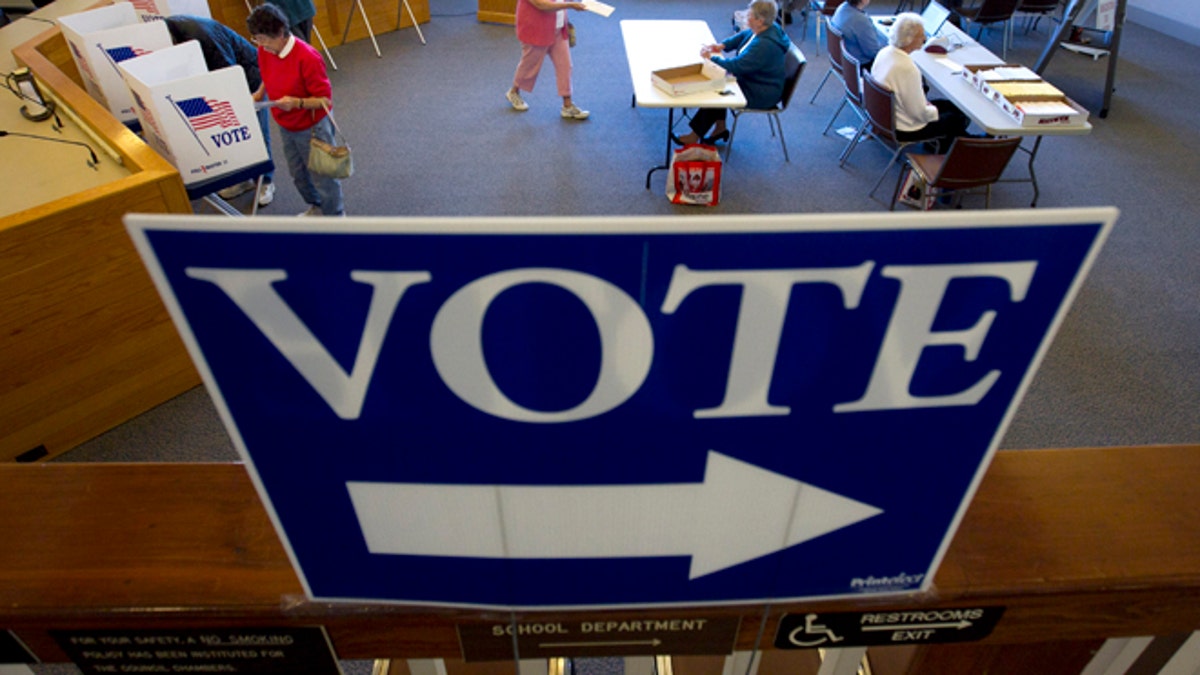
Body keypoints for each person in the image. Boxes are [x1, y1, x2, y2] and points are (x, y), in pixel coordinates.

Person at [166, 15, 276, 207]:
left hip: (249, 76)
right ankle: (243, 180)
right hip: (223, 77)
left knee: (255, 130)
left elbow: (228, 72)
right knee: (234, 134)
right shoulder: (173, 30)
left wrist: (238, 102)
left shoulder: (202, 36)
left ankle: (265, 181)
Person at [247, 2, 344, 216]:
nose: (259, 44)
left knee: (324, 177)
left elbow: (324, 101)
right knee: (298, 174)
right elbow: (267, 72)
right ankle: (317, 207)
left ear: (281, 33)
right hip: (286, 124)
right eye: (256, 38)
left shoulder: (307, 57)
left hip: (312, 126)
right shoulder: (265, 50)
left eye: (262, 38)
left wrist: (297, 102)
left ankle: (336, 219)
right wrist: (260, 91)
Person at [674, 0, 791, 146]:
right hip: (756, 80)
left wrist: (710, 57)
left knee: (718, 89)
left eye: (749, 16)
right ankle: (719, 128)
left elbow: (735, 67)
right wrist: (722, 46)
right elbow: (745, 35)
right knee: (720, 83)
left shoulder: (764, 45)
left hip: (761, 91)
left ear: (760, 21)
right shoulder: (768, 28)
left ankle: (695, 135)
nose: (746, 18)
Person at [869, 12, 968, 153]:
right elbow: (918, 113)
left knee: (949, 106)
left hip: (885, 118)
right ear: (909, 39)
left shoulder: (885, 52)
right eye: (921, 35)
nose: (925, 38)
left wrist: (926, 104)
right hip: (906, 128)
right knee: (956, 118)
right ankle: (947, 156)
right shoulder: (907, 68)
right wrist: (931, 109)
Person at [505, 0, 590, 120]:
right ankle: (514, 92)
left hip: (558, 28)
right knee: (530, 65)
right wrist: (570, 5)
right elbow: (542, 5)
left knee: (565, 66)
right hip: (536, 30)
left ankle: (568, 105)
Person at [830, 0, 887, 69]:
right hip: (861, 65)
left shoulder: (842, 8)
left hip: (845, 61)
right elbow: (873, 53)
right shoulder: (860, 20)